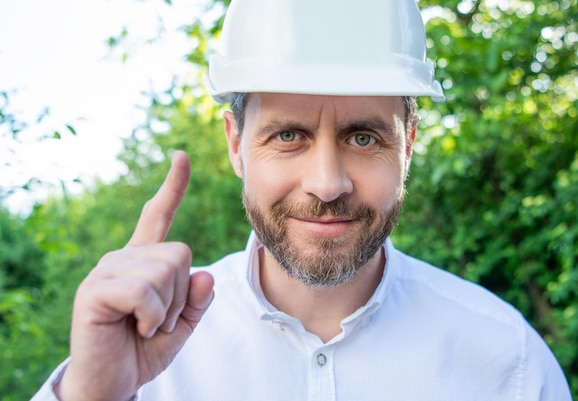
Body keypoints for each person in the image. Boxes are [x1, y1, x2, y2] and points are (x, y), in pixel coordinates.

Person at [32, 0, 571, 400]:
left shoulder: (508, 363)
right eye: (288, 136)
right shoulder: (141, 358)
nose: (327, 183)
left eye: (364, 137)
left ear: (407, 146)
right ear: (236, 145)